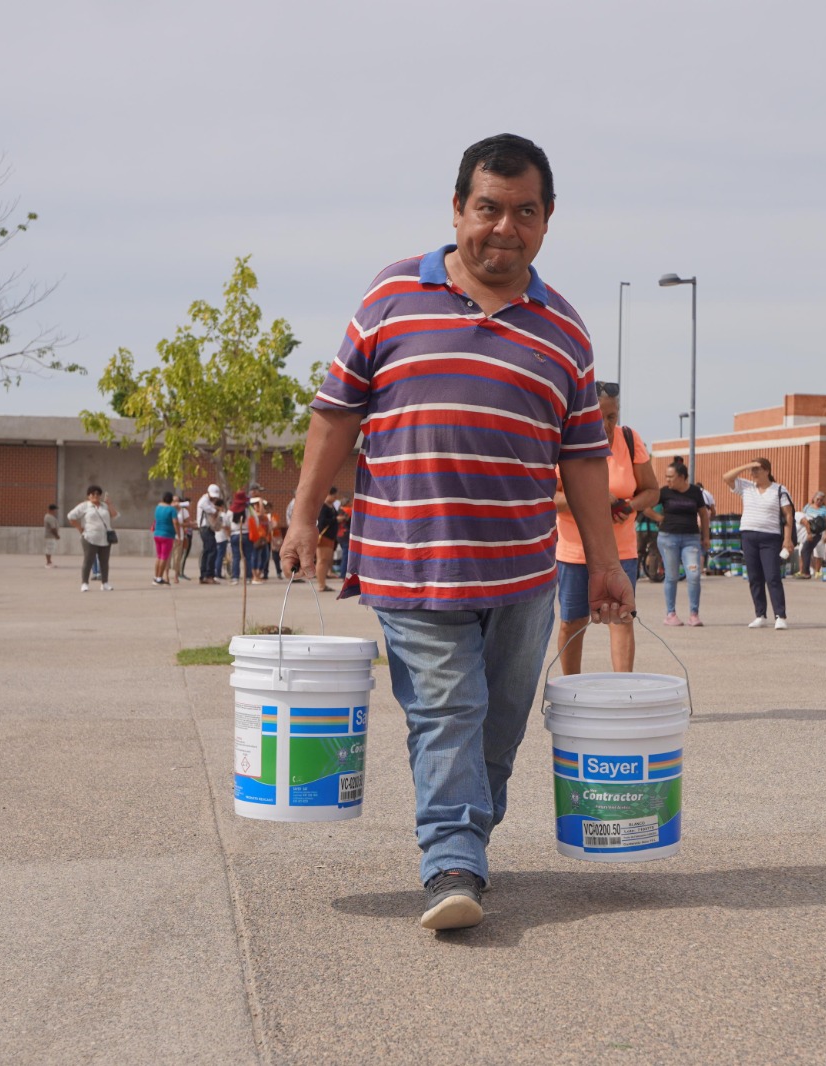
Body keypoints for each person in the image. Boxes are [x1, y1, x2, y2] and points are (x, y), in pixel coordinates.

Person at [279, 133, 631, 933]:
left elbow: (582, 459)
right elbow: (335, 416)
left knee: (500, 721)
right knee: (449, 710)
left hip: (521, 572)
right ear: (457, 209)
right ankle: (451, 861)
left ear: (547, 221)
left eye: (524, 212)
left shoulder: (563, 331)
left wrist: (605, 564)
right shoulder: (390, 296)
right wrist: (304, 514)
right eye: (488, 209)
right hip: (413, 560)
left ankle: (468, 833)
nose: (504, 228)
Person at [553, 380, 657, 673]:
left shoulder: (629, 439)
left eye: (612, 417)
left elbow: (651, 491)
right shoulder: (566, 440)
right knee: (572, 622)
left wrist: (629, 506)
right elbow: (549, 496)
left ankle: (624, 693)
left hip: (621, 550)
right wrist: (595, 501)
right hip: (575, 552)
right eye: (598, 417)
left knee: (622, 619)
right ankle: (571, 689)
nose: (606, 425)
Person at [722, 458, 796, 628]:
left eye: (757, 469)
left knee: (772, 577)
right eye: (752, 470)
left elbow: (788, 515)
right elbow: (726, 478)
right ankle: (760, 614)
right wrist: (746, 465)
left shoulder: (779, 490)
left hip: (770, 537)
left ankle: (780, 616)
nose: (753, 473)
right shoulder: (746, 487)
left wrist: (787, 538)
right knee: (754, 578)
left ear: (767, 471)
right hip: (748, 535)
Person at [651, 460, 710, 627]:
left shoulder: (695, 492)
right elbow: (646, 507)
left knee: (694, 575)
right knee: (672, 576)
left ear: (682, 477)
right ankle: (670, 614)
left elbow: (704, 515)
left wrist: (706, 537)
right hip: (668, 538)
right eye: (666, 477)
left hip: (691, 539)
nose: (667, 480)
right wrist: (658, 518)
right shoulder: (664, 492)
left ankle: (694, 614)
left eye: (671, 477)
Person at [67, 486, 118, 591]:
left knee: (104, 561)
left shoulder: (105, 506)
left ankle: (105, 583)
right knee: (88, 560)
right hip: (89, 537)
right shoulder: (85, 506)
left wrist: (109, 504)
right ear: (88, 496)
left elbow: (115, 515)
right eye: (93, 494)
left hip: (105, 537)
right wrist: (79, 528)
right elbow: (71, 516)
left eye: (98, 494)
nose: (95, 496)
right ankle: (84, 583)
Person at [798, 490, 826, 578]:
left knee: (818, 551)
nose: (819, 501)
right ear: (814, 498)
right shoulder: (808, 507)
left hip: (819, 532)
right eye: (818, 499)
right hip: (807, 531)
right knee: (802, 549)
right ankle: (801, 570)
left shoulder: (825, 510)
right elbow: (803, 518)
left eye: (821, 500)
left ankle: (817, 571)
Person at [196, 484, 225, 585]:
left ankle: (204, 575)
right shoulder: (204, 501)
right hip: (205, 528)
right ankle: (208, 575)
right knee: (212, 551)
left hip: (208, 529)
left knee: (208, 551)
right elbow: (213, 511)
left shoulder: (209, 501)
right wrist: (218, 509)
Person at [314, 488, 339, 592]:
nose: (335, 498)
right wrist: (335, 519)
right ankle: (321, 584)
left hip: (330, 537)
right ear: (328, 494)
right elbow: (322, 522)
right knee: (322, 560)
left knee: (326, 560)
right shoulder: (323, 507)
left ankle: (323, 582)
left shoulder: (331, 506)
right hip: (324, 537)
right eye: (334, 496)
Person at [152, 491, 180, 585]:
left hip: (157, 534)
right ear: (171, 499)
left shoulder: (158, 508)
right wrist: (178, 534)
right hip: (167, 535)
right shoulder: (172, 510)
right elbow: (175, 522)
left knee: (158, 556)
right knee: (164, 556)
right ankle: (159, 578)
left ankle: (156, 576)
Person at [229, 490, 249, 583]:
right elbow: (254, 520)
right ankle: (248, 577)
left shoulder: (230, 511)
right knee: (247, 556)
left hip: (234, 534)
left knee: (236, 557)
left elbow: (225, 522)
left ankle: (235, 577)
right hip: (246, 533)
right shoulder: (248, 509)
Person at [174, 493, 194, 581]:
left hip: (180, 536)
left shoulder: (183, 511)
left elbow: (188, 523)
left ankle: (177, 574)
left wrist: (182, 525)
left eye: (177, 501)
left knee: (178, 556)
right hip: (170, 536)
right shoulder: (170, 509)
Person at [42, 504, 61, 569]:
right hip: (50, 536)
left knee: (51, 549)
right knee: (49, 549)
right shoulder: (49, 517)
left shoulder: (51, 517)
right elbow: (52, 528)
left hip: (51, 536)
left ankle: (50, 562)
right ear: (51, 510)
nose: (55, 511)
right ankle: (48, 563)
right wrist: (57, 535)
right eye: (54, 510)